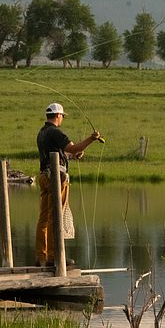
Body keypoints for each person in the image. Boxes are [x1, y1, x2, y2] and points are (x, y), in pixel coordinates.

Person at [34, 102, 102, 268]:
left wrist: (70, 157)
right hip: (56, 178)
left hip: (44, 176)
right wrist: (91, 139)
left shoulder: (42, 133)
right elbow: (73, 147)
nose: (62, 119)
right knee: (54, 216)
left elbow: (58, 154)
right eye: (62, 116)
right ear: (58, 116)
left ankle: (41, 256)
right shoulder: (56, 132)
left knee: (44, 217)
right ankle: (53, 257)